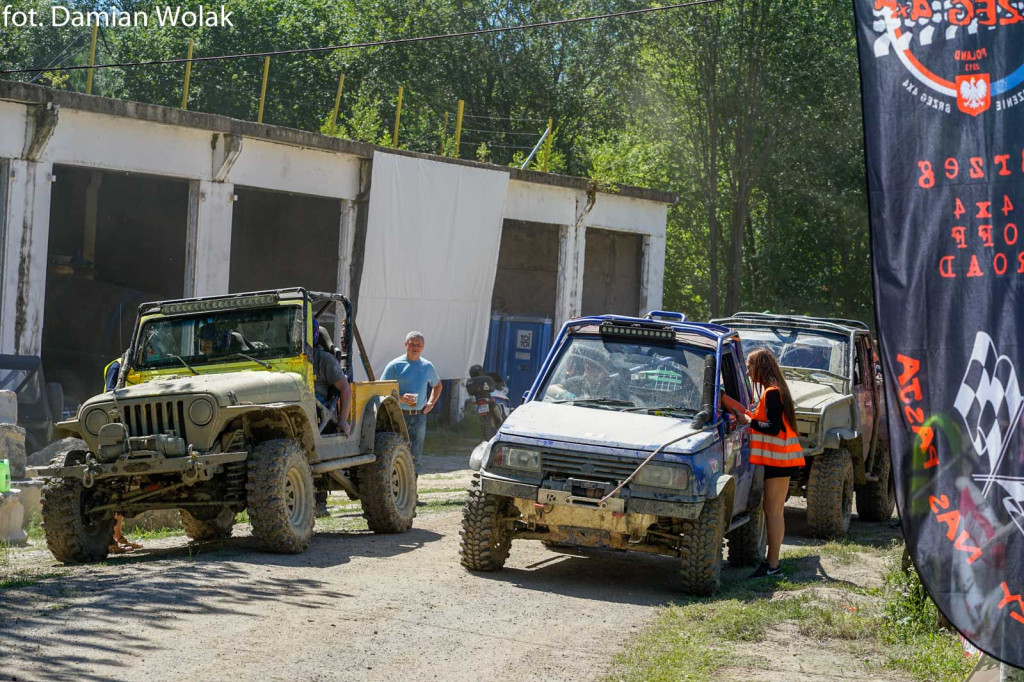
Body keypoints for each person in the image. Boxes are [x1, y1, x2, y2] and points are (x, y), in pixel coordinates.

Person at [721, 348, 804, 578]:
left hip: (780, 460)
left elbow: (772, 428)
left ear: (761, 367)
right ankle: (772, 564)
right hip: (781, 459)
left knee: (773, 511)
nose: (747, 373)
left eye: (749, 367)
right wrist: (729, 402)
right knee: (774, 511)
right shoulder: (775, 391)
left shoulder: (772, 393)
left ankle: (773, 565)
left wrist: (748, 421)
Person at [381, 331, 441, 479]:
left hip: (419, 417)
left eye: (418, 344)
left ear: (423, 346)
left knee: (415, 455)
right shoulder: (395, 365)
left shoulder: (427, 366)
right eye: (412, 344)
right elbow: (382, 388)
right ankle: (394, 493)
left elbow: (437, 386)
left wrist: (431, 403)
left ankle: (412, 494)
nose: (415, 347)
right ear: (405, 345)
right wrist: (400, 398)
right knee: (395, 454)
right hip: (397, 415)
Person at [311, 323, 352, 438]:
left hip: (317, 405)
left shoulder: (323, 358)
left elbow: (346, 389)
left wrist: (343, 419)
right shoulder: (280, 358)